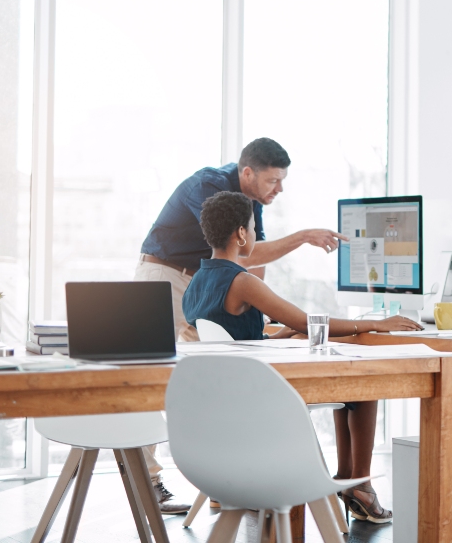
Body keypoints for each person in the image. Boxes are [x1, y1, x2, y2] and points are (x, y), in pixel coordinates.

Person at [183, 190, 423, 522]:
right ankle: (359, 484)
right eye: (253, 228)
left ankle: (348, 479)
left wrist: (278, 336)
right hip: (262, 393)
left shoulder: (197, 281)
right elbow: (306, 322)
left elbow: (231, 339)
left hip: (234, 391)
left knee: (347, 385)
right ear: (240, 233)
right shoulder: (241, 281)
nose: (255, 234)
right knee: (364, 384)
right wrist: (374, 324)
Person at [135, 137, 346, 513]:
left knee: (216, 380)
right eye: (273, 180)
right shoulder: (210, 186)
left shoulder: (252, 202)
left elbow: (250, 258)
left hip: (201, 281)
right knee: (149, 375)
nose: (279, 189)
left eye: (282, 181)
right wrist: (303, 237)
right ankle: (147, 482)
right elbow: (239, 248)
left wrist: (257, 310)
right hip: (166, 275)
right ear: (247, 172)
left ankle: (224, 477)